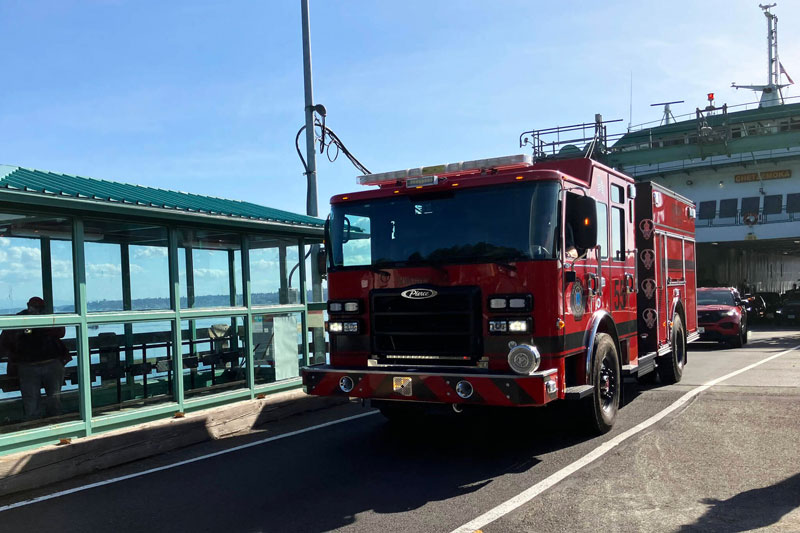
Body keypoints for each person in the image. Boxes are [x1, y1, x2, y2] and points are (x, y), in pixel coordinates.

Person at [0, 297, 68, 419]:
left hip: (48, 363)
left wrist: (39, 327)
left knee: (53, 400)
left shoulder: (47, 319)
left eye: (38, 307)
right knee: (32, 402)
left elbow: (61, 332)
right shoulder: (19, 320)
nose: (34, 309)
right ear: (28, 306)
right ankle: (34, 426)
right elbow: (5, 341)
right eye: (33, 306)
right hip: (29, 366)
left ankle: (56, 423)